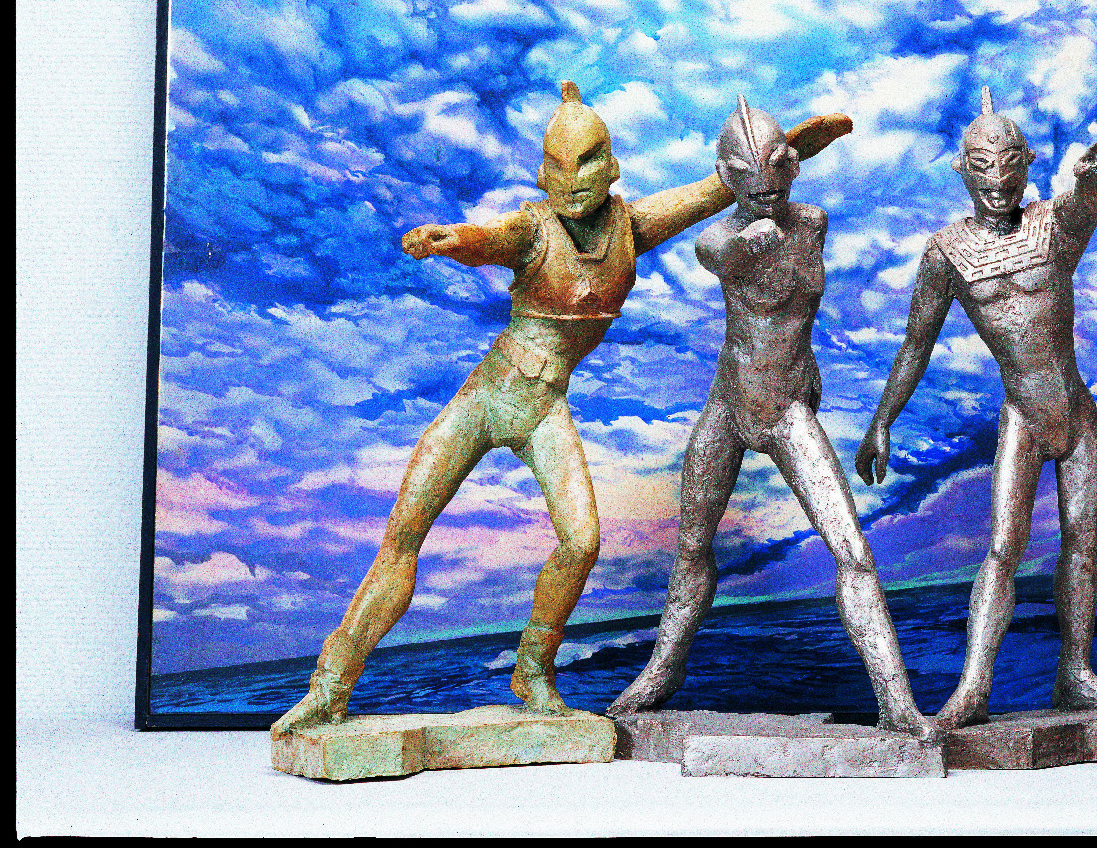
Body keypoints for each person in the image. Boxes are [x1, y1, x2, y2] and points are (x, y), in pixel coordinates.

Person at [272, 82, 851, 735]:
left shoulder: (630, 227)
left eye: (587, 164)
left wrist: (794, 145)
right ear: (543, 175)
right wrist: (450, 238)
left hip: (544, 406)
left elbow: (719, 187)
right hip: (487, 396)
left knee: (581, 543)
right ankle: (329, 686)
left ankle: (533, 670)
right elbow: (490, 238)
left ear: (612, 168)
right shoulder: (532, 228)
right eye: (559, 168)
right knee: (404, 537)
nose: (573, 182)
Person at [607, 98, 931, 739]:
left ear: (790, 169)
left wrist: (809, 366)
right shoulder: (718, 240)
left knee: (852, 550)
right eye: (749, 185)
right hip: (729, 406)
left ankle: (897, 702)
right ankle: (660, 672)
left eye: (776, 178)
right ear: (727, 179)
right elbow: (724, 254)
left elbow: (797, 304)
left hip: (787, 407)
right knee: (693, 548)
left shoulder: (813, 222)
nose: (766, 196)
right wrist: (745, 240)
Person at [855, 86, 1097, 734]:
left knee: (1082, 541)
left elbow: (1086, 202)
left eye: (1010, 163)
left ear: (1028, 164)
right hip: (1024, 417)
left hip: (1076, 413)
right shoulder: (946, 253)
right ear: (962, 169)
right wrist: (881, 421)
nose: (997, 179)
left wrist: (1093, 177)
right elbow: (915, 343)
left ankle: (1075, 673)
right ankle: (974, 686)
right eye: (982, 166)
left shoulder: (1050, 226)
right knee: (1002, 549)